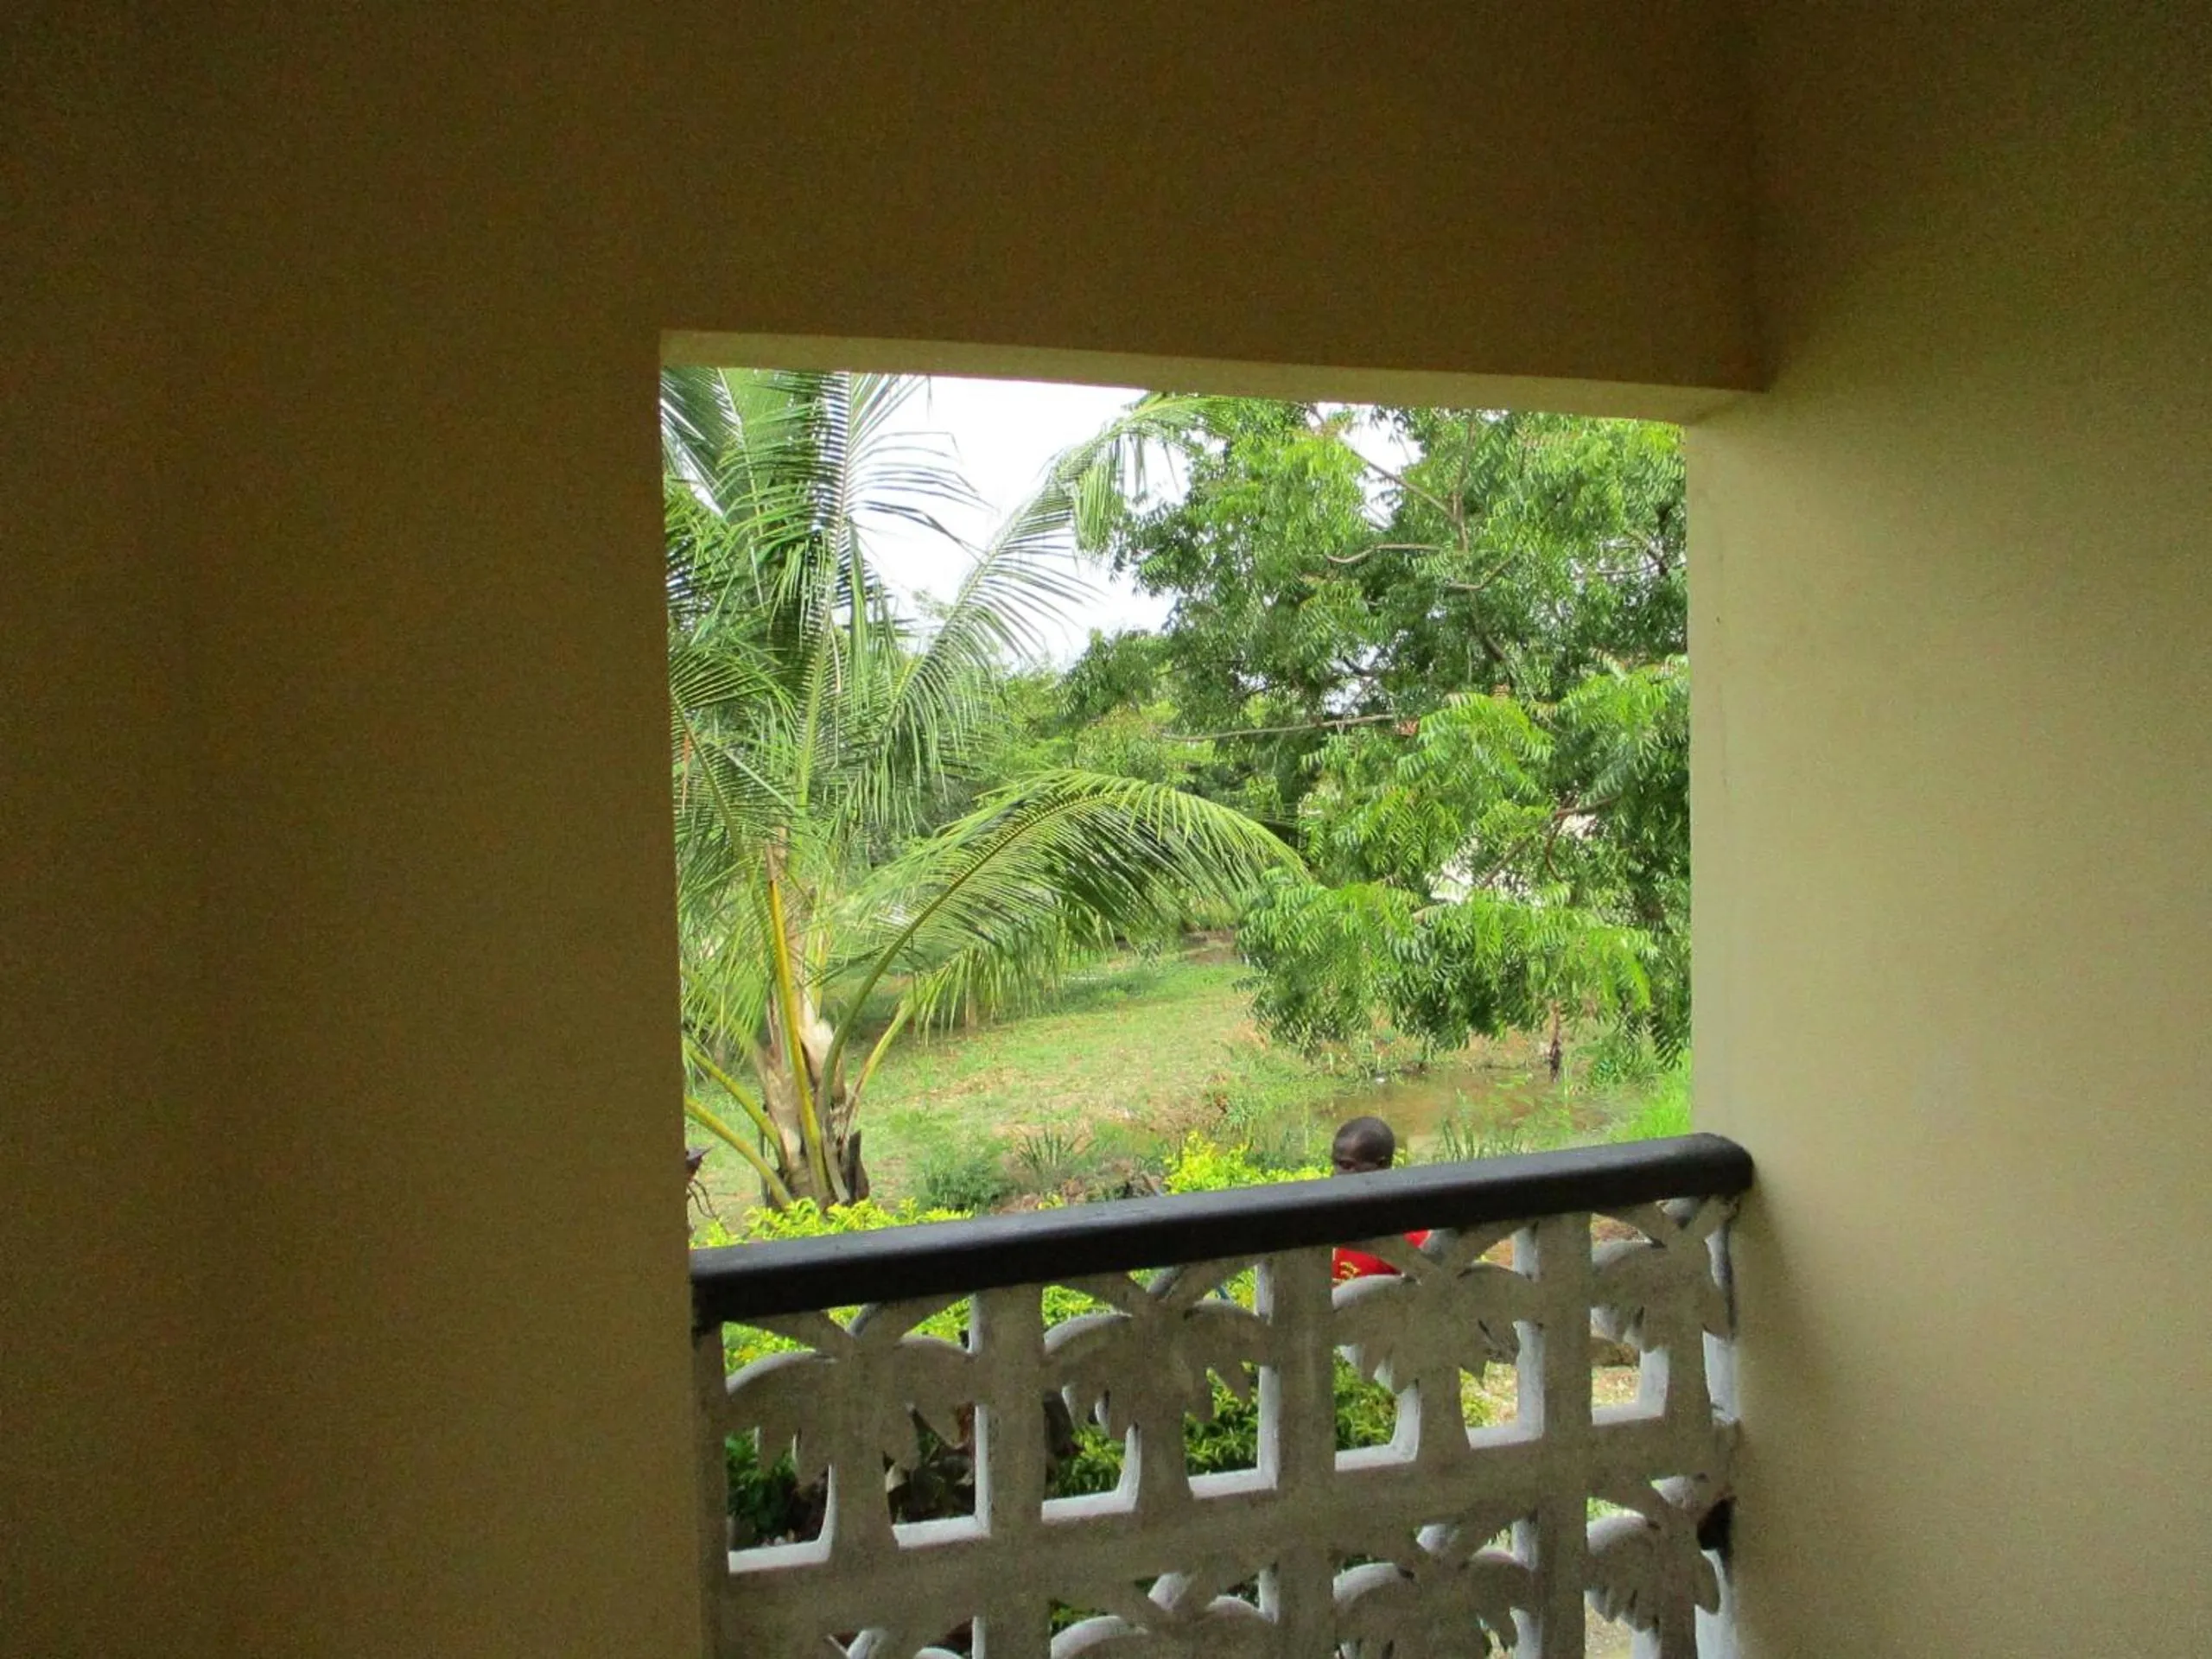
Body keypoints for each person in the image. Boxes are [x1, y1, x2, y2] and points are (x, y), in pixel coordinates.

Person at [1328, 1115, 1430, 1282]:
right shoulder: (1334, 1217)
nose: (1338, 1175)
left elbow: (1429, 1287)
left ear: (1381, 1166)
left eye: (1348, 1166)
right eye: (1336, 1164)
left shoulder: (1407, 1232)